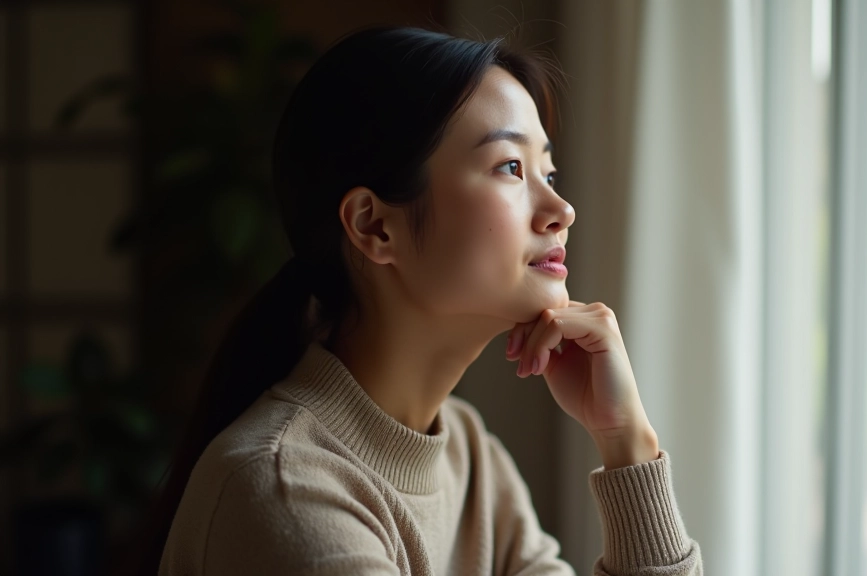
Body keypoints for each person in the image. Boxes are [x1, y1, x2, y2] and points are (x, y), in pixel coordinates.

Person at [144, 24, 702, 575]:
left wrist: (627, 442)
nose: (562, 209)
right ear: (374, 226)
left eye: (548, 171)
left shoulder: (471, 458)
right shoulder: (284, 490)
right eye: (510, 167)